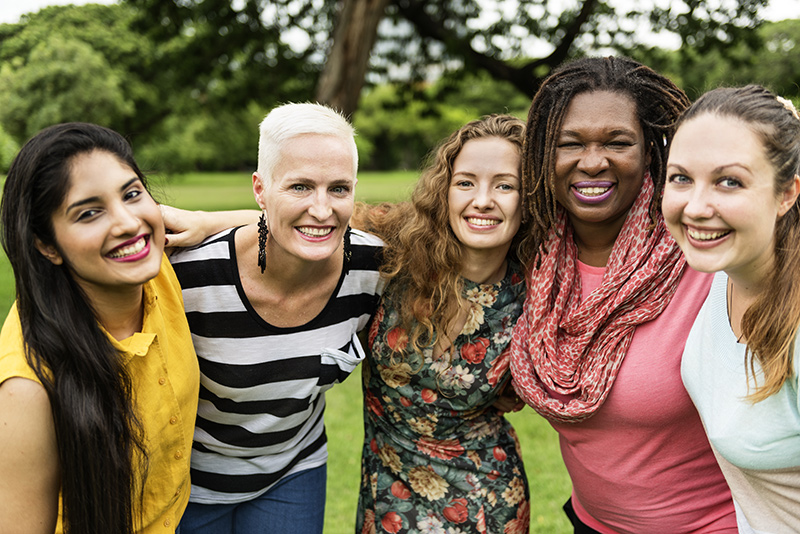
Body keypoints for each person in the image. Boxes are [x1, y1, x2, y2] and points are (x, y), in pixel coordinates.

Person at [509, 56, 738, 533]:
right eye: (569, 144)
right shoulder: (531, 256)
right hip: (593, 523)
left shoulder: (705, 258)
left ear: (653, 150)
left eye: (617, 143)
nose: (592, 162)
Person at [168, 103, 384, 534]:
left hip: (294, 472)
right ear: (260, 189)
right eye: (300, 186)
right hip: (189, 485)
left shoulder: (373, 270)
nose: (322, 210)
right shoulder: (189, 277)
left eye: (338, 189)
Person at [0, 122, 199, 533]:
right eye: (89, 213)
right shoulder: (26, 389)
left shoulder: (156, 263)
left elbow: (280, 224)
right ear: (46, 245)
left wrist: (206, 221)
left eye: (131, 194)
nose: (128, 223)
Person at [353, 115, 533, 534]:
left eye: (505, 185)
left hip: (485, 495)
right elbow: (307, 224)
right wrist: (204, 222)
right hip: (387, 493)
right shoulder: (398, 247)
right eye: (466, 182)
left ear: (530, 201)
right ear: (445, 191)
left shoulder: (536, 290)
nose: (483, 200)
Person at [662, 85, 800, 533]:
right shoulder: (722, 272)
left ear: (786, 194)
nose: (696, 207)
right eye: (680, 177)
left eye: (730, 181)